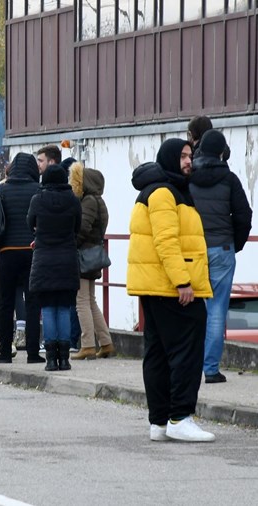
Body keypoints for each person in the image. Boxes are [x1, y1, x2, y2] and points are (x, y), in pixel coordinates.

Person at [128, 138, 214, 442]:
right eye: (183, 156)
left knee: (158, 352)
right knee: (185, 351)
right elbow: (167, 241)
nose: (189, 161)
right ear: (168, 158)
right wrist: (182, 281)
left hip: (157, 285)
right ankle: (180, 417)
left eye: (190, 155)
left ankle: (160, 421)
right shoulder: (165, 193)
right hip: (171, 286)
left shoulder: (163, 189)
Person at [189, 129, 252, 383]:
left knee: (194, 309)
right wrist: (234, 244)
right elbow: (244, 215)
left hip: (194, 251)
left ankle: (190, 366)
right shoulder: (229, 179)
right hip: (222, 249)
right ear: (222, 152)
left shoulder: (188, 178)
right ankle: (211, 370)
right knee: (216, 310)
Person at [0, 153, 45, 364]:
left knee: (5, 302)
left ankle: (5, 352)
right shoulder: (37, 190)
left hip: (7, 252)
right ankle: (32, 352)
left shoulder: (2, 190)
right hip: (32, 251)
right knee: (33, 302)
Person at [28, 164, 82, 371]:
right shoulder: (73, 200)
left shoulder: (37, 200)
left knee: (48, 309)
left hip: (43, 259)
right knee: (65, 308)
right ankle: (65, 358)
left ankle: (51, 359)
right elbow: (77, 226)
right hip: (67, 259)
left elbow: (29, 222)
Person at [68, 162, 115, 360]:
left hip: (83, 256)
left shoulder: (88, 201)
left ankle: (87, 344)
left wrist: (71, 245)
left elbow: (83, 228)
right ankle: (106, 342)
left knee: (81, 301)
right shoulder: (98, 200)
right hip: (93, 254)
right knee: (91, 301)